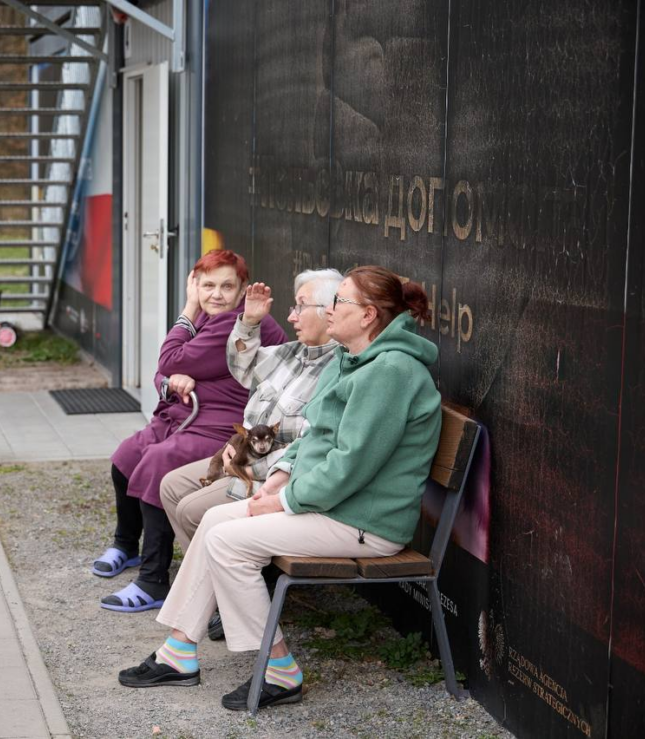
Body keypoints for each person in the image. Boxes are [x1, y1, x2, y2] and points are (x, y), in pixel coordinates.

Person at [117, 266, 442, 712]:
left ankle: (280, 670)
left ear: (368, 315)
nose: (330, 309)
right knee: (213, 520)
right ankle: (178, 652)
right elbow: (313, 436)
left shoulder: (391, 372)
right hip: (332, 507)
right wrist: (279, 477)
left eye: (339, 301)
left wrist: (282, 502)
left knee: (228, 542)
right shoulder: (354, 358)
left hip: (364, 521)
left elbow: (350, 467)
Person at [93, 250, 285, 612]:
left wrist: (189, 307)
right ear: (196, 284)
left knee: (156, 462)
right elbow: (164, 371)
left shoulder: (235, 323)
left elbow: (168, 359)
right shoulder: (216, 318)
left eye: (227, 286)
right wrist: (169, 382)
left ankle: (153, 581)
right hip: (186, 416)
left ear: (243, 288)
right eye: (207, 285)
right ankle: (126, 546)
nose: (217, 294)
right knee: (125, 458)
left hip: (223, 428)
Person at [158, 268, 342, 638]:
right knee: (171, 486)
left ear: (329, 312)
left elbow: (310, 445)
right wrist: (249, 322)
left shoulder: (337, 367)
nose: (291, 316)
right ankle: (221, 595)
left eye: (300, 307)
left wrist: (247, 464)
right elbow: (243, 367)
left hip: (271, 473)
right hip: (245, 456)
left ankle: (228, 599)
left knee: (192, 510)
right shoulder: (296, 352)